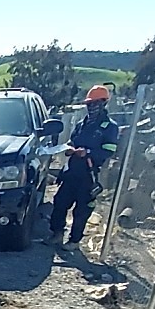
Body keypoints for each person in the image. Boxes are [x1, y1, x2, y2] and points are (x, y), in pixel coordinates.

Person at [48, 85, 120, 250]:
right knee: (60, 202)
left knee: (81, 210)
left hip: (89, 175)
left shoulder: (109, 127)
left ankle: (74, 241)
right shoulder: (82, 124)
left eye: (95, 103)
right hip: (72, 172)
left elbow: (108, 151)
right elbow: (73, 141)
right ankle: (57, 233)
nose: (92, 107)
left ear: (104, 103)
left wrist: (88, 153)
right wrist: (69, 149)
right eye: (89, 104)